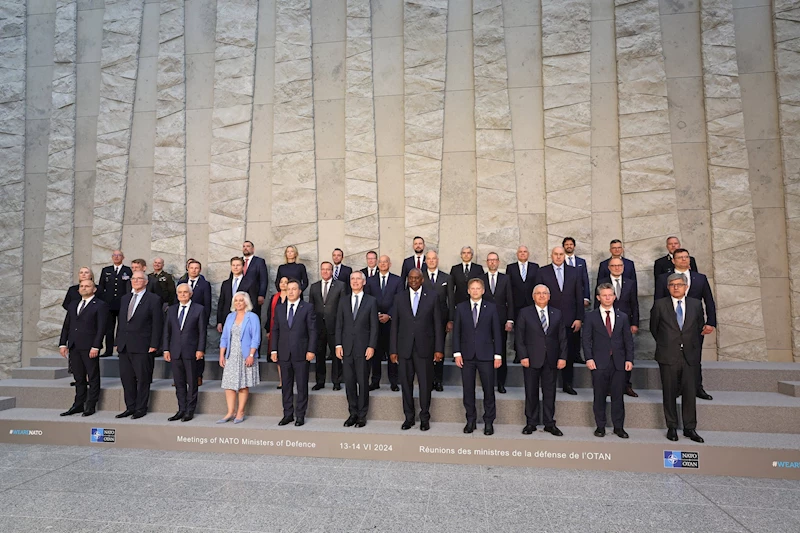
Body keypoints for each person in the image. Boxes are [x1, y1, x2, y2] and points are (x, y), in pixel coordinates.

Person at [654, 248, 716, 401]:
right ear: (673, 260)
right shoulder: (664, 279)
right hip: (671, 329)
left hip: (694, 327)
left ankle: (697, 387)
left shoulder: (700, 278)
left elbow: (708, 301)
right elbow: (657, 303)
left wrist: (711, 322)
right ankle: (676, 389)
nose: (684, 260)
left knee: (694, 358)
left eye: (686, 257)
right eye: (680, 257)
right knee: (673, 360)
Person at [650, 273, 705, 443]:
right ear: (668, 287)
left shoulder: (696, 304)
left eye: (679, 284)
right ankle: (672, 426)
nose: (676, 287)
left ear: (686, 287)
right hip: (668, 355)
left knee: (690, 393)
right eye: (672, 284)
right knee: (669, 392)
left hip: (690, 356)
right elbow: (654, 329)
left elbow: (699, 328)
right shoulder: (660, 305)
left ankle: (690, 428)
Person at [390, 269, 443, 431]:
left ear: (422, 280)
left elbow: (438, 325)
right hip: (404, 349)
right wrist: (393, 350)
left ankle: (425, 417)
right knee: (406, 385)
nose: (413, 280)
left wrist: (439, 349)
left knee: (425, 385)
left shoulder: (432, 297)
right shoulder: (399, 298)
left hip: (425, 349)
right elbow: (395, 326)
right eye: (411, 278)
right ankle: (409, 417)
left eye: (416, 278)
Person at [583, 283, 634, 438]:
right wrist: (589, 358)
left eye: (610, 295)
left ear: (614, 296)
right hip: (598, 362)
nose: (607, 298)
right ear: (598, 298)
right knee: (599, 395)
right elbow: (586, 340)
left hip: (618, 362)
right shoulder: (591, 316)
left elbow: (628, 340)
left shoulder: (622, 316)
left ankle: (619, 427)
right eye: (604, 295)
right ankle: (600, 426)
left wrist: (629, 359)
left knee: (618, 396)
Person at [515, 284, 567, 436]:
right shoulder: (525, 313)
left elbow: (562, 338)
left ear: (549, 296)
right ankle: (531, 422)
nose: (542, 295)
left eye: (545, 293)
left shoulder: (557, 313)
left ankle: (549, 423)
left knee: (549, 392)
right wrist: (523, 356)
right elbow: (519, 337)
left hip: (551, 359)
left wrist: (562, 357)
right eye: (538, 293)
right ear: (533, 296)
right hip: (531, 359)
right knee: (531, 392)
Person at [453, 278, 502, 436]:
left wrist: (498, 355)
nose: (475, 291)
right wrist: (457, 353)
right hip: (466, 356)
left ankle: (489, 421)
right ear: (468, 291)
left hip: (486, 355)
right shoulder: (460, 308)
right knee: (468, 389)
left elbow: (497, 333)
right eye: (472, 288)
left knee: (488, 389)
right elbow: (456, 333)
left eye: (478, 288)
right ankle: (471, 420)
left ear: (483, 290)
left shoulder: (491, 308)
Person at [535, 247, 584, 395]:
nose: (558, 257)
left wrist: (579, 318)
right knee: (549, 351)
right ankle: (548, 384)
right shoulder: (542, 271)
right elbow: (538, 296)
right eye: (555, 254)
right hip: (548, 319)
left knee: (567, 353)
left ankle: (567, 384)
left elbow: (579, 296)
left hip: (569, 320)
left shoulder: (574, 271)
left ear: (565, 256)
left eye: (561, 254)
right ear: (551, 256)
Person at [114, 271, 163, 419]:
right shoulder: (125, 298)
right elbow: (121, 321)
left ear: (146, 281)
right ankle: (130, 407)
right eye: (133, 278)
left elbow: (157, 324)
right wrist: (117, 341)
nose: (136, 281)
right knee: (126, 378)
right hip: (124, 345)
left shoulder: (153, 299)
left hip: (143, 345)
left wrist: (154, 344)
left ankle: (141, 408)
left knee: (143, 379)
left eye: (139, 278)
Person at [58, 279, 108, 417]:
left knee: (92, 376)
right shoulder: (74, 304)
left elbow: (101, 328)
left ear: (94, 289)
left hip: (90, 346)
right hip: (74, 346)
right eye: (82, 286)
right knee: (79, 377)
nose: (84, 288)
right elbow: (67, 325)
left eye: (88, 286)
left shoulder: (100, 305)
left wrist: (96, 346)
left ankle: (90, 405)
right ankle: (78, 404)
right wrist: (63, 343)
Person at [271, 279, 317, 426]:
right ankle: (288, 414)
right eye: (288, 289)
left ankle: (300, 415)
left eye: (294, 289)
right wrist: (273, 350)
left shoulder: (307, 307)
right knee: (286, 386)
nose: (291, 291)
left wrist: (311, 350)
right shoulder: (280, 308)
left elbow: (313, 331)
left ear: (300, 291)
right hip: (284, 353)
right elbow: (275, 330)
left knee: (302, 386)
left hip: (302, 353)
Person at [335, 272, 379, 427]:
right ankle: (352, 413)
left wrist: (371, 346)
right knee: (349, 382)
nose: (355, 281)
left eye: (358, 279)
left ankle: (362, 415)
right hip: (346, 349)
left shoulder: (371, 301)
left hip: (363, 349)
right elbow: (339, 324)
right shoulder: (343, 301)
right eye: (352, 279)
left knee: (362, 382)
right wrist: (338, 345)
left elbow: (374, 326)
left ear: (364, 282)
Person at [596, 257, 640, 397]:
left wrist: (635, 323)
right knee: (608, 354)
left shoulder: (630, 282)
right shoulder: (602, 282)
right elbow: (597, 304)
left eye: (619, 265)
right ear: (608, 267)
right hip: (606, 323)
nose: (617, 268)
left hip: (624, 323)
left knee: (626, 353)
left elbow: (634, 304)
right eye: (614, 265)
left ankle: (626, 385)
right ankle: (609, 386)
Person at [162, 283, 206, 422]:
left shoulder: (199, 309)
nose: (182, 294)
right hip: (175, 352)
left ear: (190, 294)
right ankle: (181, 409)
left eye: (185, 292)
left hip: (191, 351)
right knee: (179, 383)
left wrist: (200, 349)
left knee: (192, 383)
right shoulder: (172, 309)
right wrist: (166, 349)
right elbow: (167, 332)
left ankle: (190, 410)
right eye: (180, 292)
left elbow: (202, 332)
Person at [218, 292, 261, 424]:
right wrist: (222, 355)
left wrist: (251, 355)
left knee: (243, 385)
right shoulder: (230, 317)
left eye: (241, 300)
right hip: (231, 354)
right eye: (236, 300)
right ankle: (230, 412)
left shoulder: (252, 317)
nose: (238, 303)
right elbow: (224, 337)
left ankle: (240, 412)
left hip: (246, 355)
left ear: (246, 302)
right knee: (229, 385)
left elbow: (256, 337)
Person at [364, 255, 403, 391]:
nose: (383, 264)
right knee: (375, 353)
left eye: (385, 262)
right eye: (380, 262)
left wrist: (389, 315)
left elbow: (399, 300)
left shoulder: (397, 280)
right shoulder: (370, 280)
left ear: (390, 264)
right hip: (375, 322)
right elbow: (367, 299)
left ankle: (394, 381)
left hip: (391, 323)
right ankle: (375, 381)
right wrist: (376, 314)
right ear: (377, 264)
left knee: (392, 351)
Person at [309, 262, 347, 390]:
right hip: (319, 326)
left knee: (337, 355)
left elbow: (343, 307)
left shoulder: (340, 285)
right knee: (320, 355)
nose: (325, 272)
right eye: (323, 269)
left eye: (328, 269)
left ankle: (336, 381)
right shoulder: (314, 287)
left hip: (335, 326)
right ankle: (320, 381)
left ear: (332, 271)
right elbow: (311, 307)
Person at [481, 252, 514, 393]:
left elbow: (510, 300)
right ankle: (487, 383)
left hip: (501, 321)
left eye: (495, 260)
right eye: (490, 260)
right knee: (486, 352)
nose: (492, 262)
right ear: (487, 262)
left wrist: (510, 320)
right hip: (484, 322)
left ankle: (501, 383)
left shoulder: (505, 278)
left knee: (501, 352)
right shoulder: (480, 279)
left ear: (499, 262)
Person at [178, 260, 211, 385]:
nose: (194, 270)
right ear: (187, 268)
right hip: (182, 320)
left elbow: (207, 304)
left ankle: (198, 375)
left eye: (196, 268)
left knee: (198, 348)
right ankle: (180, 377)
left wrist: (204, 321)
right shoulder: (182, 282)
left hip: (197, 320)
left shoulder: (204, 284)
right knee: (180, 348)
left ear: (200, 270)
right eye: (191, 268)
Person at [423, 250, 451, 392]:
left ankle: (438, 380)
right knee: (427, 350)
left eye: (434, 258)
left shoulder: (446, 277)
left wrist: (450, 320)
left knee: (439, 349)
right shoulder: (420, 278)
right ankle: (428, 379)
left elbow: (450, 300)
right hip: (425, 321)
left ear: (437, 260)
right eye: (429, 259)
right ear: (425, 261)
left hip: (441, 320)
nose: (432, 261)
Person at [98, 250, 132, 357]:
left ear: (123, 257)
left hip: (122, 303)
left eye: (119, 255)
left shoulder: (128, 270)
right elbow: (101, 287)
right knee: (109, 328)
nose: (116, 257)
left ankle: (120, 349)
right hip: (108, 304)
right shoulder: (106, 270)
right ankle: (108, 350)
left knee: (122, 327)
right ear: (112, 257)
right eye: (114, 255)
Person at [217, 257, 259, 332]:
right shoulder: (225, 283)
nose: (235, 267)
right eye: (233, 265)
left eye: (238, 265)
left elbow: (253, 302)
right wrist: (219, 321)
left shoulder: (250, 282)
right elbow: (221, 303)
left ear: (243, 267)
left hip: (244, 319)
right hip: (227, 318)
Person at [448, 246, 485, 324]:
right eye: (464, 253)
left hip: (474, 303)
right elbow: (451, 288)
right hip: (459, 303)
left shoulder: (478, 268)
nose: (466, 255)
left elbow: (482, 286)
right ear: (461, 255)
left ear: (472, 255)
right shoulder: (455, 269)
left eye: (468, 253)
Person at [265, 276, 289, 389]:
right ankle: (282, 381)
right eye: (281, 282)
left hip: (289, 331)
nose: (283, 284)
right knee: (279, 356)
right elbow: (270, 314)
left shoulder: (293, 296)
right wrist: (268, 330)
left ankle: (289, 379)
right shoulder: (274, 298)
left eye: (286, 282)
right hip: (276, 330)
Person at [507, 245, 540, 319]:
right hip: (517, 303)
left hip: (531, 302)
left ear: (528, 254)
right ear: (517, 254)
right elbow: (509, 286)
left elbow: (537, 284)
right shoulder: (511, 267)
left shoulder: (535, 267)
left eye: (525, 252)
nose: (522, 253)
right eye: (520, 252)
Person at [241, 240, 269, 315]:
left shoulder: (259, 261)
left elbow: (263, 279)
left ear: (253, 249)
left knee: (253, 316)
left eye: (248, 246)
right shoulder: (238, 261)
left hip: (254, 296)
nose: (245, 248)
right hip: (240, 295)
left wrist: (261, 295)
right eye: (244, 246)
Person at [562, 237, 591, 309]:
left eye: (571, 244)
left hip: (579, 295)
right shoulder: (560, 261)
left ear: (574, 246)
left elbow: (585, 280)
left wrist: (586, 297)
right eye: (566, 244)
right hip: (565, 296)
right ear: (563, 246)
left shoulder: (581, 261)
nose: (569, 246)